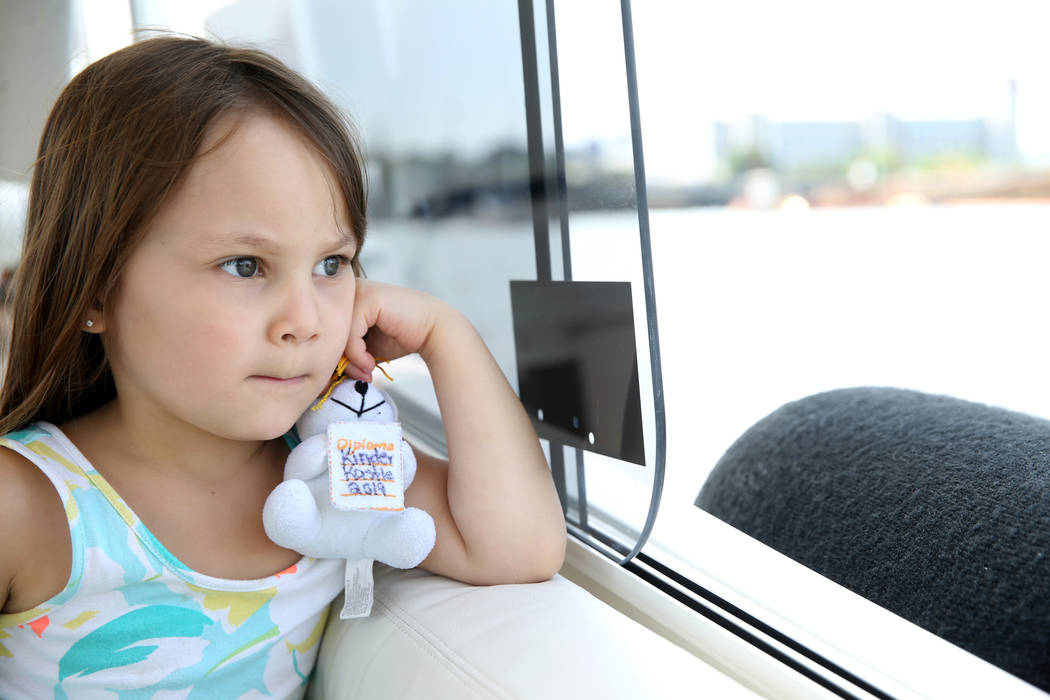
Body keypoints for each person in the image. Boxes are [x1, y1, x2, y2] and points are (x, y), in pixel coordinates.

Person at [0, 36, 565, 697]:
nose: (306, 319)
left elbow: (516, 546)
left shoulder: (333, 469)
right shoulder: (25, 504)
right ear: (95, 289)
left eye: (332, 265)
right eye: (246, 266)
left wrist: (448, 336)